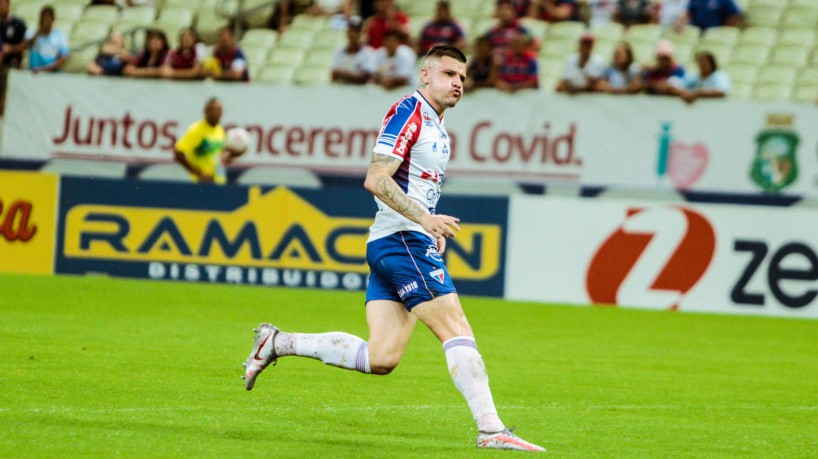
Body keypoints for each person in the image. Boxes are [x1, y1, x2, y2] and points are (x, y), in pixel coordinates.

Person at [241, 45, 546, 453]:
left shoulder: (438, 126)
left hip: (394, 240)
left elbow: (413, 185)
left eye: (462, 77)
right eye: (449, 74)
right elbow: (375, 178)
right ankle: (491, 429)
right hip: (403, 240)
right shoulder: (409, 111)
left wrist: (429, 221)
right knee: (456, 328)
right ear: (425, 75)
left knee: (381, 357)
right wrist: (423, 220)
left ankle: (277, 343)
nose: (457, 83)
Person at [173, 98, 244, 185]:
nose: (216, 113)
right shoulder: (196, 130)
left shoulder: (219, 130)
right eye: (212, 109)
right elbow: (178, 153)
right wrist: (198, 173)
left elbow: (217, 156)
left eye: (219, 110)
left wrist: (233, 154)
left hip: (219, 182)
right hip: (201, 184)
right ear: (205, 111)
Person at [23, 6, 68, 74]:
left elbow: (63, 58)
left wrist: (44, 70)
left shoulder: (60, 36)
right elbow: (24, 46)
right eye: (43, 18)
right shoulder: (31, 32)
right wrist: (38, 32)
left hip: (52, 74)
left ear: (53, 19)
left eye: (48, 18)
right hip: (34, 74)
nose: (46, 21)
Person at [0, 0, 26, 114]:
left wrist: (11, 49)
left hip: (11, 62)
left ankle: (4, 111)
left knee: (7, 78)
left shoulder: (18, 23)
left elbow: (25, 45)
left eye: (2, 3)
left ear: (8, 4)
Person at [330, 19, 375, 84]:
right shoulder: (338, 51)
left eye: (356, 31)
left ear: (360, 34)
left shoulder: (368, 53)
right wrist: (356, 75)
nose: (353, 34)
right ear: (347, 33)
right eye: (350, 31)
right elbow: (334, 75)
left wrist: (343, 73)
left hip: (362, 92)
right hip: (342, 91)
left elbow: (365, 77)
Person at [675, 0, 742, 32]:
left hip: (714, 31)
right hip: (697, 31)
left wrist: (725, 28)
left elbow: (735, 14)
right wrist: (681, 22)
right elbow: (688, 11)